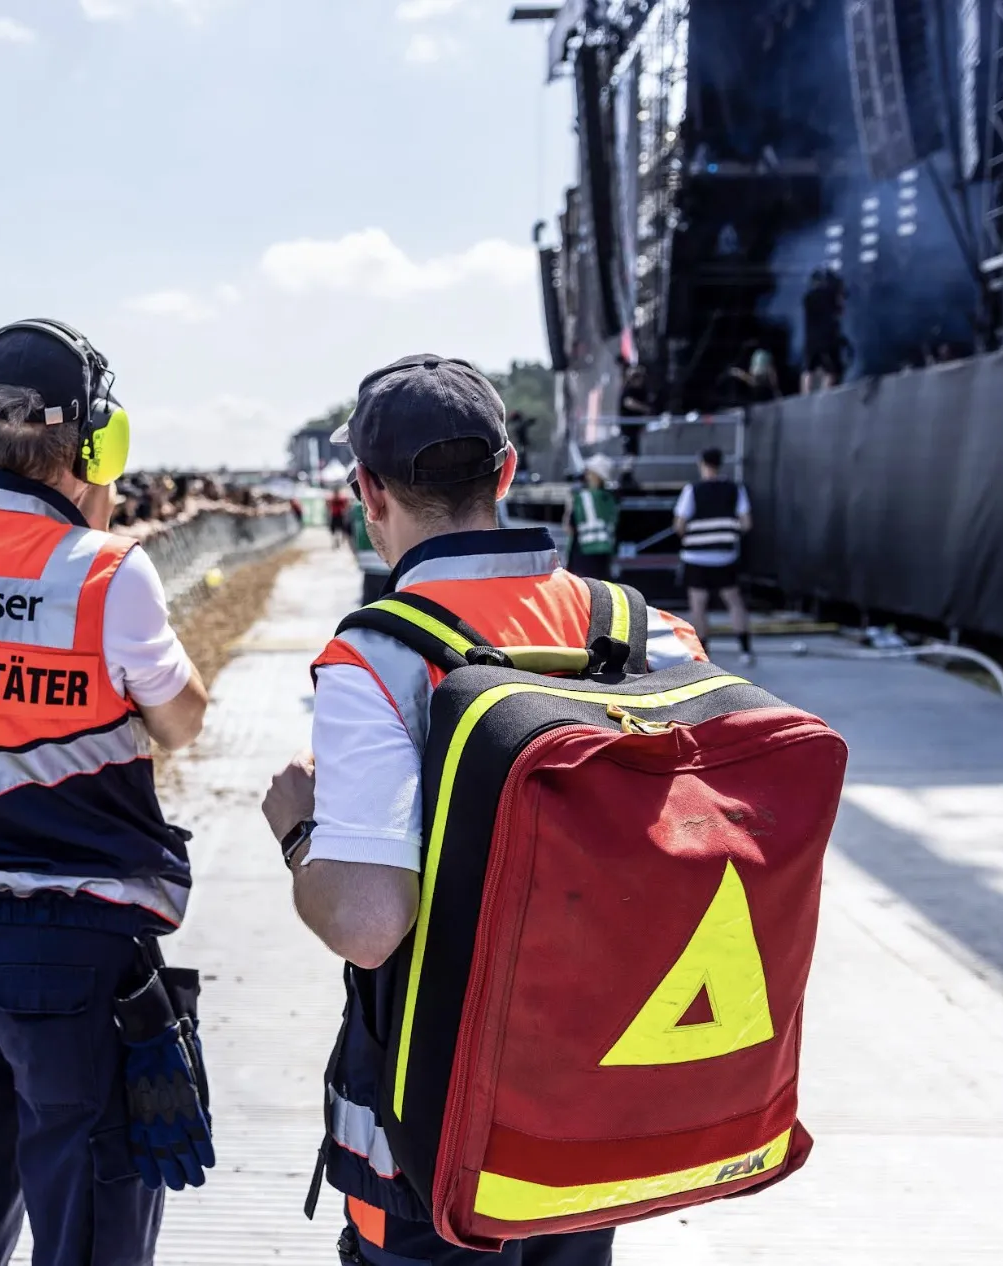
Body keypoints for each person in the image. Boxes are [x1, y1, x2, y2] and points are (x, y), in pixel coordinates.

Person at [258, 354, 707, 1266]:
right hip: (597, 1103)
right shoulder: (642, 630)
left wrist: (299, 829)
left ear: (366, 492)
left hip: (434, 1134)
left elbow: (370, 924)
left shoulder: (378, 658)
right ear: (505, 473)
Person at [0, 321, 213, 1266]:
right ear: (97, 444)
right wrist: (91, 536)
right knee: (92, 1234)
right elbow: (181, 719)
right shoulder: (108, 573)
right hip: (76, 952)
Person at [674, 446, 754, 666]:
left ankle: (703, 654)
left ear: (702, 463)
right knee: (733, 600)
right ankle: (746, 650)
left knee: (698, 604)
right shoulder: (735, 489)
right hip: (724, 556)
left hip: (696, 556)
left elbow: (679, 524)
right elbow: (746, 523)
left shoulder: (692, 490)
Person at [566, 454, 620, 580]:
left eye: (589, 472)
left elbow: (569, 527)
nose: (586, 475)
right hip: (605, 553)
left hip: (583, 555)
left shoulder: (582, 498)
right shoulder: (611, 499)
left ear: (597, 476)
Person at [347, 486, 391, 605]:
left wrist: (355, 554)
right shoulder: (392, 501)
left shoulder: (356, 508)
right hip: (389, 566)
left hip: (368, 564)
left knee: (370, 604)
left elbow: (349, 532)